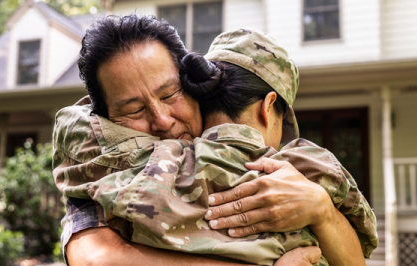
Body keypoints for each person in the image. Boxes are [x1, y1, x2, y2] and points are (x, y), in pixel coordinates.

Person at [55, 14, 373, 266]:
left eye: (170, 94)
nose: (162, 120)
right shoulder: (104, 165)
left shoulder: (295, 174)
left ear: (193, 84)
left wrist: (321, 208)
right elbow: (96, 258)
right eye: (135, 109)